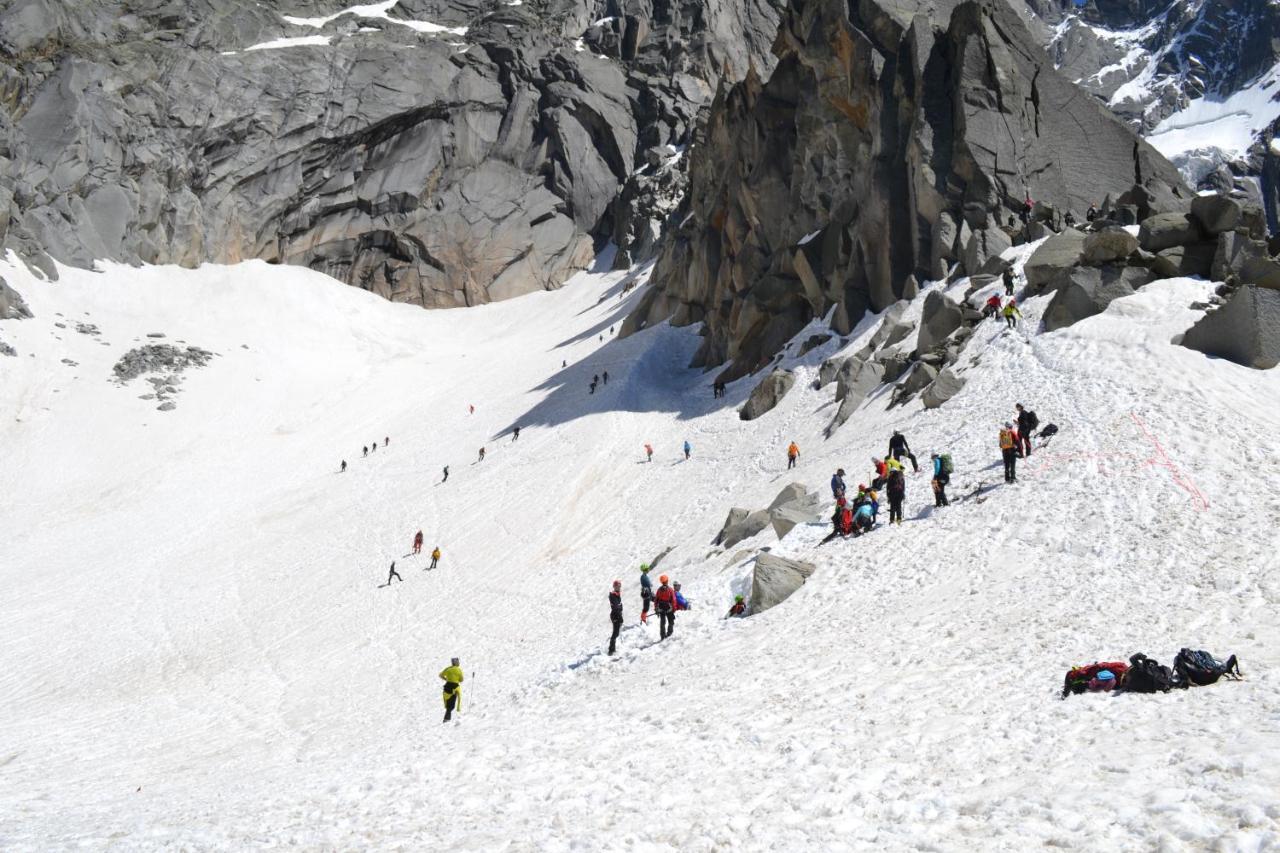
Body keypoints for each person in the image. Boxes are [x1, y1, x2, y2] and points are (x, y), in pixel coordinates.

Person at [440, 658, 463, 723]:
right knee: (451, 706)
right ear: (456, 663)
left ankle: (446, 719)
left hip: (446, 687)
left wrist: (446, 679)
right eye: (458, 662)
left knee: (448, 706)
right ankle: (447, 720)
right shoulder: (459, 670)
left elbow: (440, 675)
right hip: (454, 688)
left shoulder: (448, 669)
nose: (459, 663)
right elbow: (461, 680)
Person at [654, 575, 676, 640]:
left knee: (662, 622)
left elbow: (656, 600)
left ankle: (662, 636)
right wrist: (673, 609)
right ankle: (669, 634)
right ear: (667, 581)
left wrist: (656, 609)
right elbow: (673, 600)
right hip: (669, 608)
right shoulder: (670, 590)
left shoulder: (659, 590)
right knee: (671, 621)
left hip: (661, 608)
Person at [608, 580, 623, 655]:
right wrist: (619, 617)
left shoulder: (617, 594)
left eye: (619, 586)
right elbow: (616, 607)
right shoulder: (613, 595)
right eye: (617, 586)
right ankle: (611, 650)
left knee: (616, 632)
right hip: (615, 615)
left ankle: (612, 648)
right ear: (614, 587)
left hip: (617, 614)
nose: (619, 587)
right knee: (615, 633)